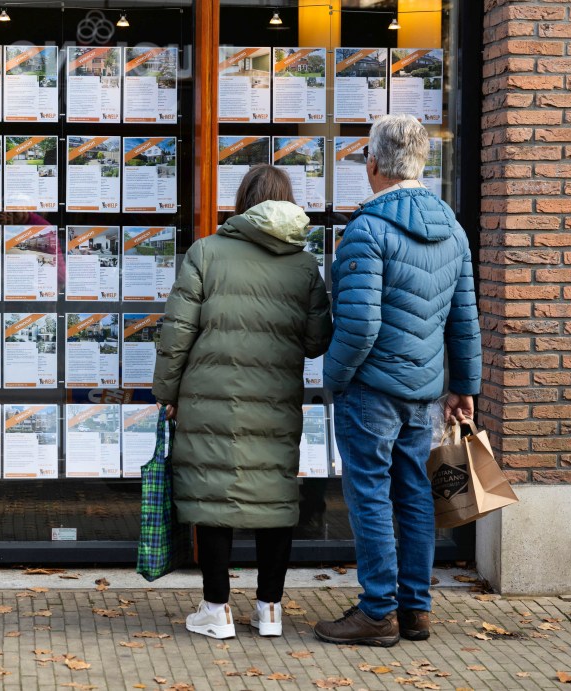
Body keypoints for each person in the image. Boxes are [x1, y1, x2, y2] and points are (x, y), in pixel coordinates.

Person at [313, 114, 481, 647]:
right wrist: (465, 387)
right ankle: (415, 610)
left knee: (369, 495)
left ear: (373, 164)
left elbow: (359, 324)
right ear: (422, 162)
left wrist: (333, 376)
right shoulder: (451, 227)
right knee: (413, 493)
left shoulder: (368, 228)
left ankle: (377, 611)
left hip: (372, 388)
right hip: (426, 388)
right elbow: (464, 318)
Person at [152, 165, 333, 640]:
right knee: (274, 497)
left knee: (215, 496)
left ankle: (216, 610)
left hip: (209, 398)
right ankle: (270, 610)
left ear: (242, 202)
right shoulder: (304, 264)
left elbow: (177, 336)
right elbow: (317, 341)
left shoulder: (206, 253)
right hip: (275, 401)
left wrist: (166, 394)